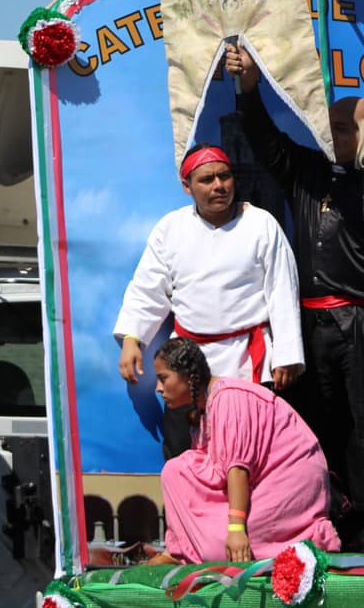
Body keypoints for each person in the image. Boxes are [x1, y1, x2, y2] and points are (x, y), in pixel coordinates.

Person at [225, 43, 364, 550]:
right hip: (309, 327)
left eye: (339, 127)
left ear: (363, 134)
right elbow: (264, 136)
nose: (328, 132)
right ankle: (339, 517)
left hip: (363, 322)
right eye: (327, 125)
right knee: (320, 428)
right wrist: (248, 87)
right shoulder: (307, 171)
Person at [114, 144, 303, 458]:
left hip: (247, 359)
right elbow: (148, 288)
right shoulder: (170, 228)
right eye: (207, 179)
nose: (219, 186)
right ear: (187, 186)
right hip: (188, 360)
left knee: (246, 454)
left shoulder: (261, 224)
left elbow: (282, 290)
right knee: (183, 452)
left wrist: (287, 354)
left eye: (224, 176)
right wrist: (133, 338)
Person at [146, 338, 340, 564]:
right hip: (254, 487)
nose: (158, 388)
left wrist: (237, 529)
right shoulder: (204, 408)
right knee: (175, 470)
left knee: (218, 550)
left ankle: (304, 536)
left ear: (188, 377)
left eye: (163, 379)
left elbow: (237, 469)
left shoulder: (228, 396)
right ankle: (179, 549)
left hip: (285, 487)